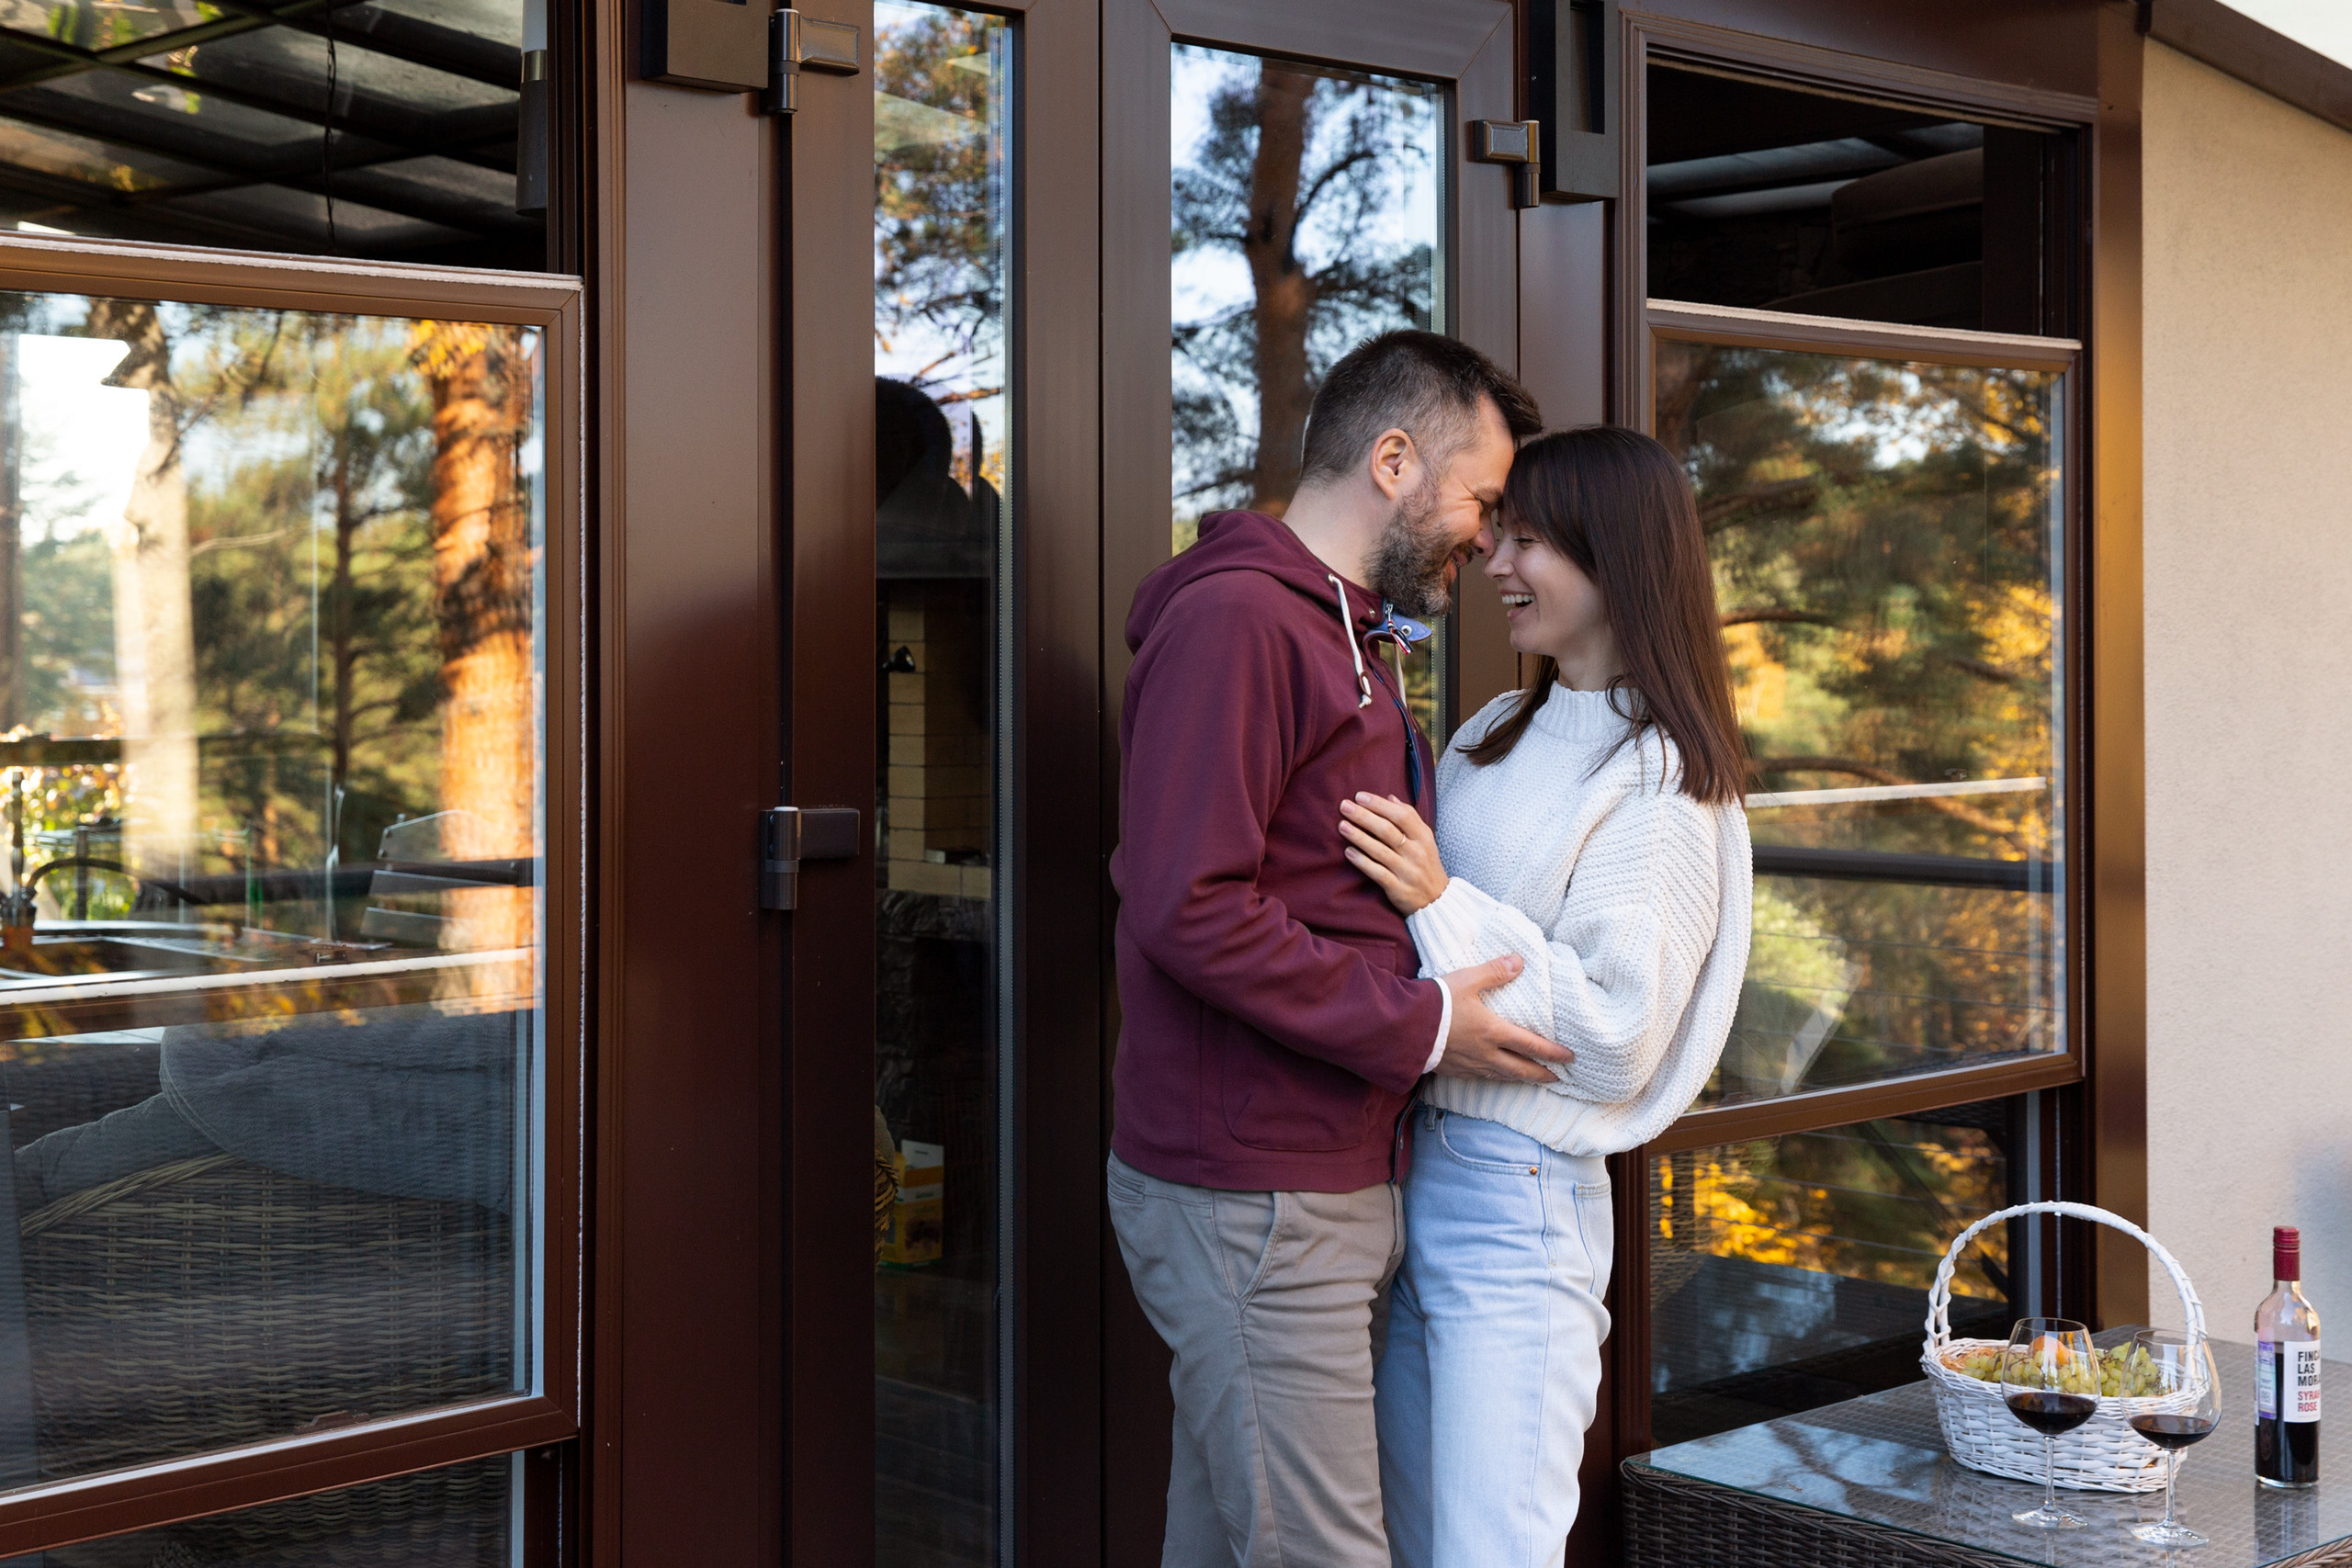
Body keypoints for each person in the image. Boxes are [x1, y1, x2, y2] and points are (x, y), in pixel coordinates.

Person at [1109, 331, 1561, 1568]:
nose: (1485, 535)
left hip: (1309, 1174)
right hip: (1256, 1189)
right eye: (1480, 498)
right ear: (1395, 458)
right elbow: (1187, 900)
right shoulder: (1247, 621)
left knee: (1229, 1534)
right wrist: (1421, 1022)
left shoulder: (1341, 630)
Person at [1338, 426, 1754, 1568]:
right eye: (1499, 531)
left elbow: (1617, 1037)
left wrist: (1439, 900)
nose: (1495, 560)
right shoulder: (1486, 736)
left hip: (1519, 1211)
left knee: (1489, 1551)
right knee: (1413, 1543)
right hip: (1413, 1176)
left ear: (1614, 561)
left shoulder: (1662, 782)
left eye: (1528, 540)